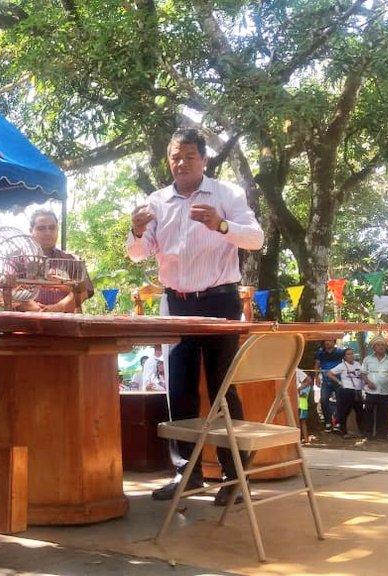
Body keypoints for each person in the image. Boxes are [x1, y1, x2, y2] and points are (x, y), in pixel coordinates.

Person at [126, 127, 264, 506]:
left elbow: (256, 239)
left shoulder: (227, 194)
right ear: (168, 162)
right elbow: (138, 254)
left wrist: (221, 225)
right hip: (175, 304)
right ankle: (186, 474)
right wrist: (136, 231)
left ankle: (235, 477)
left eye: (190, 156)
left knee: (223, 390)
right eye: (175, 157)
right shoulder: (156, 201)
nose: (182, 163)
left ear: (204, 159)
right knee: (179, 390)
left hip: (220, 302)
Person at [21, 209, 94, 312]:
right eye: (41, 228)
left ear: (57, 229)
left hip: (65, 320)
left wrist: (59, 307)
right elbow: (6, 291)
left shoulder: (73, 260)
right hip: (25, 320)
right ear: (31, 231)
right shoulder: (18, 260)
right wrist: (36, 309)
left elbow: (84, 292)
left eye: (52, 228)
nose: (48, 233)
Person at [361, 337, 388, 439]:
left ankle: (382, 434)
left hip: (386, 391)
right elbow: (363, 374)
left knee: (384, 414)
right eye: (378, 345)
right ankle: (368, 433)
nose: (381, 347)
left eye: (383, 345)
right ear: (374, 347)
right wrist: (368, 382)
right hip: (371, 391)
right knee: (368, 412)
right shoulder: (367, 359)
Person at [326, 348, 365, 437]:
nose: (351, 356)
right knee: (344, 412)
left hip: (357, 391)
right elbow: (329, 373)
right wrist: (339, 382)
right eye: (348, 354)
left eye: (352, 354)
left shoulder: (358, 364)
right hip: (346, 390)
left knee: (360, 412)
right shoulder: (342, 366)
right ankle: (344, 432)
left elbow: (362, 375)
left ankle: (361, 431)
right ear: (344, 357)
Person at [314, 340, 346, 432]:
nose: (327, 342)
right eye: (326, 341)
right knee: (324, 400)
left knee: (340, 401)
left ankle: (338, 422)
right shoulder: (320, 353)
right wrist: (316, 377)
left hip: (338, 380)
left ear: (334, 342)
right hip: (326, 381)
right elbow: (317, 364)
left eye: (330, 341)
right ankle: (328, 422)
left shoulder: (340, 352)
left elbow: (346, 362)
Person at [296, 368, 313, 443]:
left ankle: (303, 439)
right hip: (303, 403)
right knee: (302, 421)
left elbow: (303, 396)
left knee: (301, 421)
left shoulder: (304, 387)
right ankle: (305, 439)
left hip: (302, 403)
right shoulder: (305, 386)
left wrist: (298, 389)